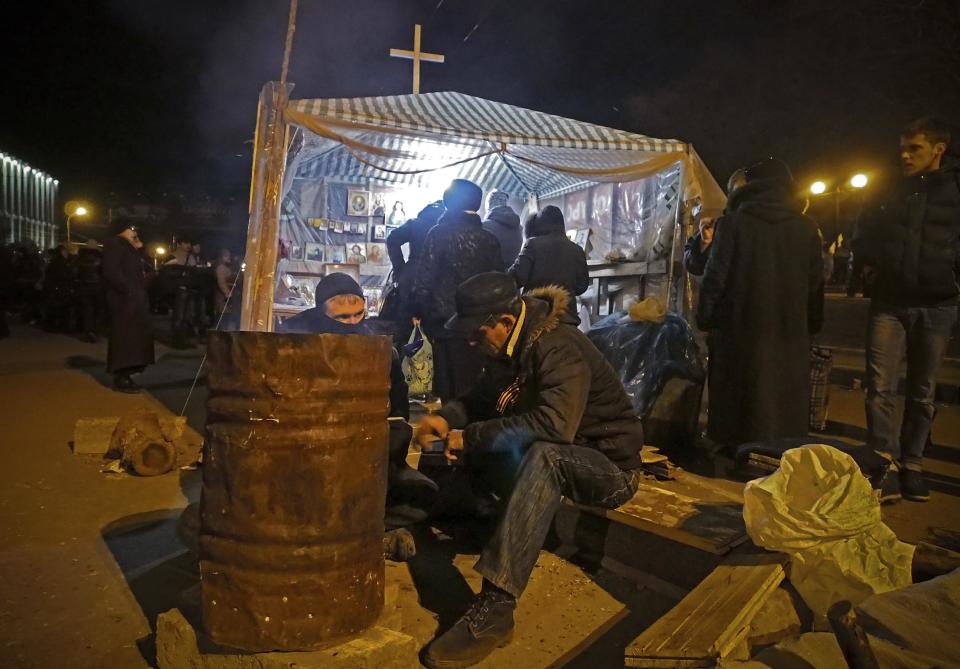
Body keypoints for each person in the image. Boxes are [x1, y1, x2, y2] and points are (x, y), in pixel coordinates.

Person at [415, 272, 644, 668]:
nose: (471, 343)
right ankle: (449, 519)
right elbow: (480, 400)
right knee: (471, 443)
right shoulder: (511, 346)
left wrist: (468, 438)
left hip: (608, 469)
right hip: (566, 455)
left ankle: (496, 610)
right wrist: (447, 418)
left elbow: (556, 426)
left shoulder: (558, 348)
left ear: (504, 322)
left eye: (477, 334)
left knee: (541, 454)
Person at [278, 273, 439, 559]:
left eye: (358, 315)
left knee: (424, 496)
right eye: (342, 318)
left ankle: (349, 527)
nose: (353, 324)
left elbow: (398, 409)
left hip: (365, 453)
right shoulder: (296, 341)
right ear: (322, 313)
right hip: (312, 452)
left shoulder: (378, 344)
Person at [853, 116, 960, 503]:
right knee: (879, 386)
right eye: (902, 147)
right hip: (890, 300)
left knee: (922, 390)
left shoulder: (954, 188)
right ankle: (880, 459)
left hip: (938, 303)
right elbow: (863, 226)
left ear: (938, 149)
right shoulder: (890, 186)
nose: (905, 155)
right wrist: (867, 263)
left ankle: (912, 464)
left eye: (914, 147)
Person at [697, 157, 824, 447]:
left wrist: (705, 318)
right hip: (790, 332)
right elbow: (815, 286)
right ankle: (778, 451)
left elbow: (715, 278)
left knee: (738, 394)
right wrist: (812, 325)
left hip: (738, 328)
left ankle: (734, 452)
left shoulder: (733, 224)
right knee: (783, 395)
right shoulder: (806, 228)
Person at [412, 179, 503, 401]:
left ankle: (451, 429)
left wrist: (418, 314)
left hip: (445, 326)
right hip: (482, 327)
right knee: (477, 386)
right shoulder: (490, 239)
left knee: (449, 388)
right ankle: (471, 432)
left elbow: (424, 281)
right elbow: (499, 283)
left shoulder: (438, 234)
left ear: (449, 202)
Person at [101, 218, 155, 393]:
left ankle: (129, 373)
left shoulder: (128, 246)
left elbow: (143, 269)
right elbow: (111, 271)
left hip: (134, 300)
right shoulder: (114, 244)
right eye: (132, 228)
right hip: (125, 301)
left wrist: (138, 248)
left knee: (135, 338)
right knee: (125, 338)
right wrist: (128, 290)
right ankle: (121, 376)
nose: (135, 231)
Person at [508, 205, 588, 320]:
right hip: (566, 315)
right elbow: (582, 287)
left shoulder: (532, 245)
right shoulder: (577, 249)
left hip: (536, 314)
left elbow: (518, 278)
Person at [385, 201, 444, 339]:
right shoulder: (446, 227)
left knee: (405, 322)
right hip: (439, 276)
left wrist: (400, 267)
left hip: (412, 275)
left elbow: (392, 239)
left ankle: (404, 354)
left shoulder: (416, 223)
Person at [684, 168, 748, 276]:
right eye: (739, 194)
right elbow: (693, 266)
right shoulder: (717, 227)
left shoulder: (774, 227)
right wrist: (705, 242)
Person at [482, 190, 522, 268]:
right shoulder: (519, 227)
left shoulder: (484, 226)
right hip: (512, 275)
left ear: (489, 204)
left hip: (492, 277)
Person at [76, 238, 103, 342]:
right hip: (98, 286)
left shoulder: (80, 257)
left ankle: (88, 331)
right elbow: (104, 271)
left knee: (87, 309)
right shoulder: (100, 257)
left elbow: (75, 270)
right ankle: (96, 331)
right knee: (99, 309)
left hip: (84, 286)